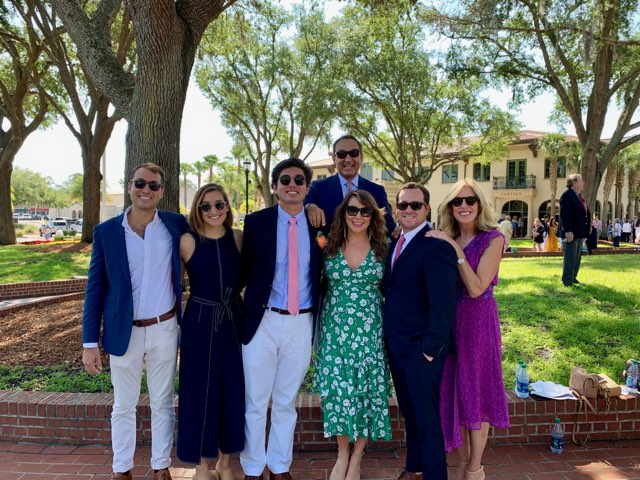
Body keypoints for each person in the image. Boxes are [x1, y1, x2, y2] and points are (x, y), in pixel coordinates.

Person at [81, 162, 189, 480]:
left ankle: (160, 467)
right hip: (122, 331)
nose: (146, 190)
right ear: (130, 186)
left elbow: (213, 233)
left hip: (165, 329)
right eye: (140, 183)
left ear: (162, 193)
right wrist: (90, 343)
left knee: (163, 403)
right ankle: (122, 469)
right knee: (123, 405)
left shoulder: (175, 225)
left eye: (154, 186)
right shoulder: (107, 232)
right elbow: (95, 289)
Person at [240, 158, 324, 480]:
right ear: (275, 187)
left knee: (287, 401)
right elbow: (244, 271)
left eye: (299, 180)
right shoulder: (256, 222)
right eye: (285, 180)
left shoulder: (319, 226)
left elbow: (323, 269)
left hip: (301, 323)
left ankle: (279, 467)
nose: (292, 185)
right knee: (256, 401)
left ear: (306, 187)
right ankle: (252, 467)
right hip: (263, 322)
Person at [428, 179, 510, 480]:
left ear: (479, 205)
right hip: (449, 323)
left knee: (477, 392)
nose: (464, 206)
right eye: (457, 201)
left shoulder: (493, 239)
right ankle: (463, 465)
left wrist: (453, 249)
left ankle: (476, 469)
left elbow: (476, 288)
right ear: (450, 207)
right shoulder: (445, 236)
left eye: (470, 200)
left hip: (478, 322)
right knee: (454, 392)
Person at [313, 191, 392, 480]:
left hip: (370, 333)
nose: (358, 216)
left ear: (374, 216)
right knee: (337, 394)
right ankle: (342, 453)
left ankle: (357, 457)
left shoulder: (385, 247)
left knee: (366, 394)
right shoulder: (327, 244)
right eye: (352, 210)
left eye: (365, 211)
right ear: (343, 213)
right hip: (334, 334)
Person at [383, 182, 458, 480]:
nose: (408, 210)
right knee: (410, 415)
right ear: (396, 209)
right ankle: (413, 467)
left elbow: (444, 305)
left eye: (415, 205)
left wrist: (429, 350)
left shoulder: (436, 245)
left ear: (427, 208)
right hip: (397, 347)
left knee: (427, 419)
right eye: (403, 205)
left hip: (421, 352)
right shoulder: (396, 243)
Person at [176, 184, 245, 480]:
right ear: (197, 210)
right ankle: (201, 466)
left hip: (233, 319)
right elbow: (170, 284)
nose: (214, 211)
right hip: (200, 322)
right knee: (198, 391)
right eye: (206, 206)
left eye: (219, 204)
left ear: (227, 207)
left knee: (232, 389)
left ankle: (225, 464)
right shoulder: (187, 241)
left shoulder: (239, 238)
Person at [304, 135, 396, 234]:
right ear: (334, 158)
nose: (348, 159)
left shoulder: (377, 191)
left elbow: (389, 228)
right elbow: (297, 210)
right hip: (327, 248)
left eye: (354, 153)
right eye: (341, 154)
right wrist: (309, 206)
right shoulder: (318, 188)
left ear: (361, 157)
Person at [559, 174, 590, 286]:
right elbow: (564, 215)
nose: (583, 182)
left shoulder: (578, 196)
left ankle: (573, 277)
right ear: (574, 182)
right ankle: (567, 279)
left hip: (579, 232)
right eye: (581, 180)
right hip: (571, 232)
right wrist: (567, 231)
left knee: (577, 257)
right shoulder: (567, 195)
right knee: (570, 256)